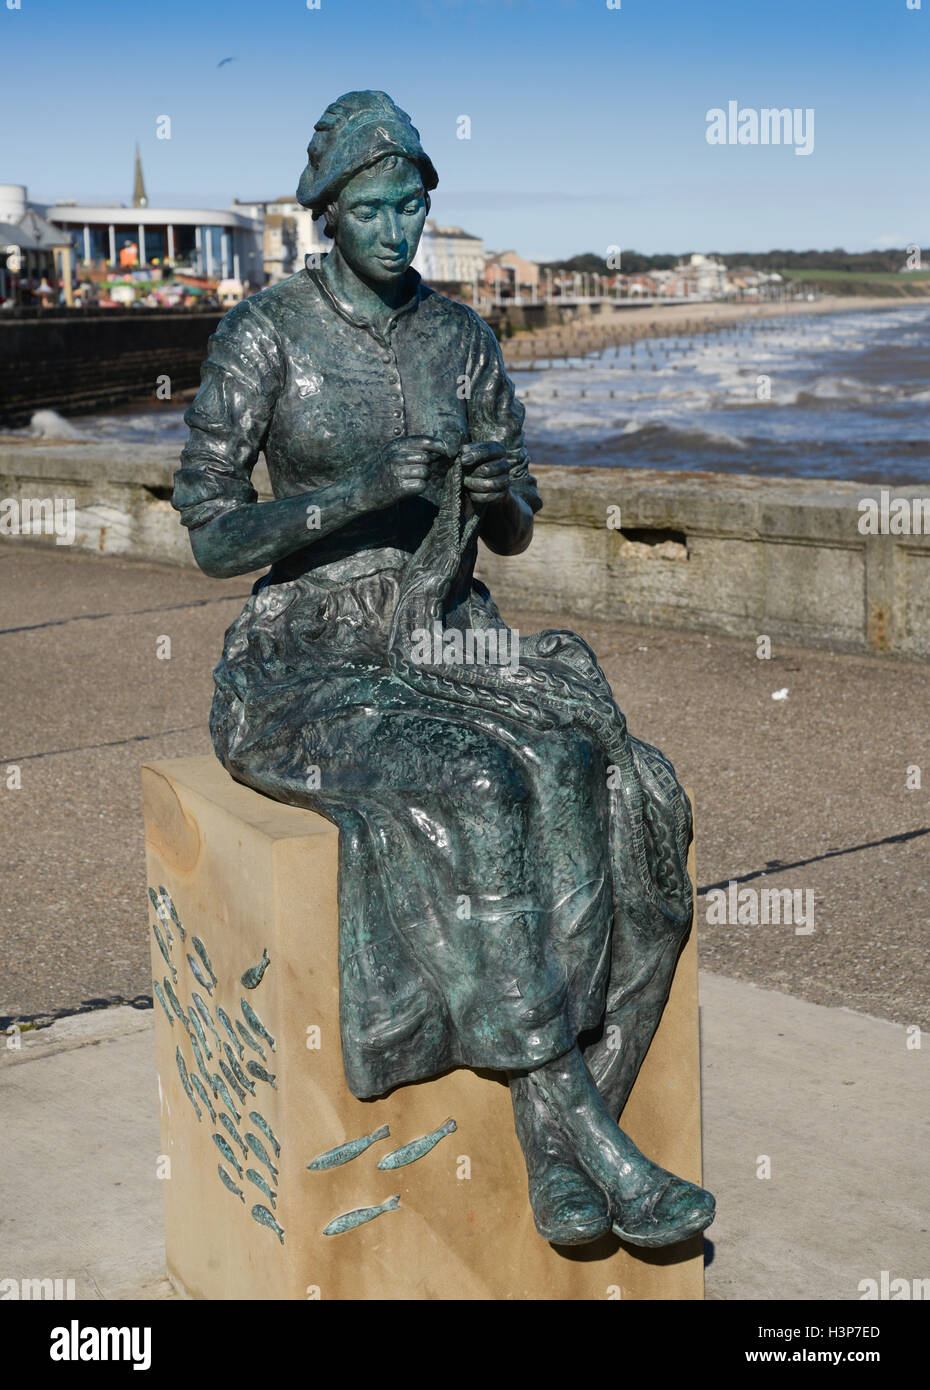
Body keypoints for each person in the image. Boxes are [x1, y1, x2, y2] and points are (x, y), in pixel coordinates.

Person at [172, 90, 715, 1248]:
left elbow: (515, 525)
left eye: (413, 205)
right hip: (308, 656)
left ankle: (558, 1149)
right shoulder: (265, 332)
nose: (396, 229)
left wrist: (498, 494)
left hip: (448, 629)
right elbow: (214, 533)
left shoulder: (464, 338)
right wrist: (353, 494)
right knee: (478, 785)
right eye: (372, 208)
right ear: (328, 215)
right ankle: (594, 1139)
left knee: (607, 779)